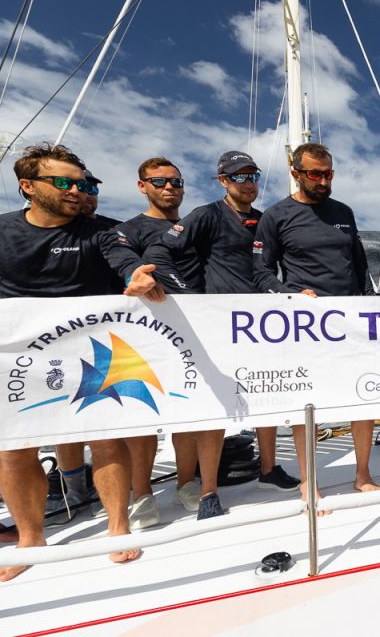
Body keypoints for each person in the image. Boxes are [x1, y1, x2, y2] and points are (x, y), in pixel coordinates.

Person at [0, 142, 163, 583]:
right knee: (15, 451)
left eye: (82, 184)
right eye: (64, 182)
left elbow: (123, 259)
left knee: (106, 438)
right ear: (28, 186)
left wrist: (137, 275)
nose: (76, 190)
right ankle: (31, 540)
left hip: (92, 350)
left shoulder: (99, 231)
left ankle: (118, 527)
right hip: (19, 356)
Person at [147, 151, 303, 496]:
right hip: (219, 322)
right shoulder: (206, 215)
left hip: (263, 322)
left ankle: (268, 468)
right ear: (224, 180)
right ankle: (208, 490)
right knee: (213, 402)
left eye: (253, 176)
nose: (248, 184)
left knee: (270, 394)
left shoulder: (265, 220)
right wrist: (186, 293)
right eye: (240, 177)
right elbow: (159, 251)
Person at [253, 142, 380, 493]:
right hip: (305, 324)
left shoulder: (344, 212)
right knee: (307, 403)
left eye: (328, 174)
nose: (323, 181)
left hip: (351, 320)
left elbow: (359, 265)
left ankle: (363, 475)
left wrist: (369, 306)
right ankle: (310, 482)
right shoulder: (276, 216)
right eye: (315, 174)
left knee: (362, 396)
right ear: (296, 173)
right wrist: (288, 297)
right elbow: (261, 271)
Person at [117, 157, 226, 524]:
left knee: (194, 409)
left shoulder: (196, 224)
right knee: (142, 409)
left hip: (199, 330)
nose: (169, 188)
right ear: (142, 185)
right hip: (148, 334)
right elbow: (127, 266)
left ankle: (187, 483)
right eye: (160, 181)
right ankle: (142, 494)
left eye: (176, 182)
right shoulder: (128, 229)